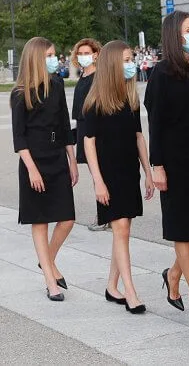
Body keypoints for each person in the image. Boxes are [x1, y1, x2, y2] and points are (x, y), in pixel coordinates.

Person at [144, 11, 189, 325]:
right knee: (184, 230)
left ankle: (173, 274)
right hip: (173, 161)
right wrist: (156, 165)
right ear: (175, 35)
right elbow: (155, 124)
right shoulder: (161, 73)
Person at [83, 40, 155, 314]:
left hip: (128, 172)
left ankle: (112, 285)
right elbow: (88, 143)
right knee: (121, 229)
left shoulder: (130, 99)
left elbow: (138, 137)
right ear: (113, 64)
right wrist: (97, 181)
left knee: (123, 231)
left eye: (131, 59)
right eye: (125, 60)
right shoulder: (95, 102)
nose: (131, 64)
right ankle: (130, 292)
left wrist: (148, 171)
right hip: (108, 174)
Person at [10, 36, 78, 302]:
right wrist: (32, 170)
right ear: (36, 58)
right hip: (33, 159)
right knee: (40, 223)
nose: (54, 59)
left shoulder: (57, 84)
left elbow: (64, 125)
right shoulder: (20, 93)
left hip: (57, 157)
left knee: (67, 219)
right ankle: (50, 279)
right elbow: (19, 138)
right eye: (48, 55)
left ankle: (45, 260)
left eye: (54, 54)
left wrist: (72, 160)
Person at [70, 38, 108, 231]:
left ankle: (104, 214)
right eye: (80, 53)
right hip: (83, 128)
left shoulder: (99, 78)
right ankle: (104, 213)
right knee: (95, 173)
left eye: (87, 53)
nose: (83, 57)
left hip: (96, 130)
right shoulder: (83, 77)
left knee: (99, 172)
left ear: (96, 55)